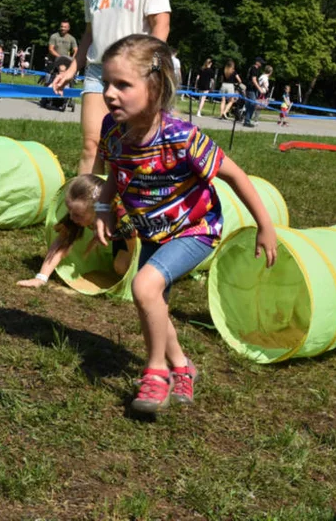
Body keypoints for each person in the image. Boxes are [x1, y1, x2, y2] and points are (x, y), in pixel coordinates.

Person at [93, 35, 276, 414]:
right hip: (153, 232)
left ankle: (155, 372)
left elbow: (237, 176)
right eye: (107, 83)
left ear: (155, 88)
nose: (110, 93)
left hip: (196, 230)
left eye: (123, 85)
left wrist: (265, 226)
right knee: (150, 300)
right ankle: (182, 366)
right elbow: (113, 172)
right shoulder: (113, 129)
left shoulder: (182, 138)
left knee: (144, 287)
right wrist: (102, 207)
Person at [51, 0, 171, 174]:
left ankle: (129, 205)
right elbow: (90, 31)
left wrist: (150, 68)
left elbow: (161, 24)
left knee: (132, 146)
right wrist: (72, 68)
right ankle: (85, 211)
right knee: (91, 145)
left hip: (136, 72)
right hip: (97, 70)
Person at [17, 174, 136, 288]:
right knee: (119, 266)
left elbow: (136, 252)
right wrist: (41, 278)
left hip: (143, 237)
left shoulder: (124, 220)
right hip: (118, 237)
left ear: (97, 210)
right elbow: (61, 243)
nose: (72, 218)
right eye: (70, 211)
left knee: (122, 266)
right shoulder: (77, 213)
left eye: (78, 215)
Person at [243, 57, 264, 127]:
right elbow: (254, 80)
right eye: (260, 62)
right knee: (252, 105)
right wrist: (259, 88)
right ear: (257, 62)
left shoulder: (251, 68)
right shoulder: (254, 69)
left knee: (249, 104)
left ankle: (246, 119)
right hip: (251, 89)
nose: (261, 64)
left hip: (250, 88)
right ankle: (247, 121)